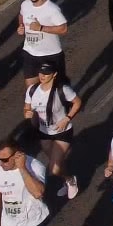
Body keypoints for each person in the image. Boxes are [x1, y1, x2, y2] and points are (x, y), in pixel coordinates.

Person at [22, 62, 81, 199]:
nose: (42, 76)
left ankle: (71, 179)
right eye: (41, 72)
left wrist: (67, 118)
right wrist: (27, 113)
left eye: (47, 73)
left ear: (54, 74)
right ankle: (66, 180)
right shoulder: (32, 89)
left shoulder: (62, 89)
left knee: (54, 169)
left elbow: (77, 102)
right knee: (57, 163)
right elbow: (26, 108)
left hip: (62, 131)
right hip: (44, 132)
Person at [18, 0, 69, 89]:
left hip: (50, 54)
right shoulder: (25, 5)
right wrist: (21, 26)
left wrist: (41, 28)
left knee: (56, 88)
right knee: (31, 90)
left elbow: (63, 29)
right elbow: (21, 15)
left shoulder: (52, 9)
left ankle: (67, 102)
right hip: (30, 53)